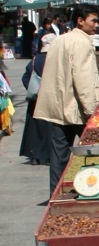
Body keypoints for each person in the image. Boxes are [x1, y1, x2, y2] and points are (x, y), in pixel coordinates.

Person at [33, 5, 99, 194]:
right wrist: (92, 110)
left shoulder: (59, 40)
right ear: (80, 21)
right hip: (77, 108)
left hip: (59, 107)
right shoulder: (83, 42)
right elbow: (83, 78)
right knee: (92, 151)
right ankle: (92, 188)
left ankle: (56, 194)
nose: (97, 25)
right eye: (93, 20)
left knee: (59, 155)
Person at [19, 33, 56, 165]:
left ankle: (34, 155)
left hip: (35, 99)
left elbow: (25, 78)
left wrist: (33, 89)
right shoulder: (56, 59)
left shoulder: (35, 60)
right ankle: (48, 155)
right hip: (52, 98)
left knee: (34, 129)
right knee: (50, 128)